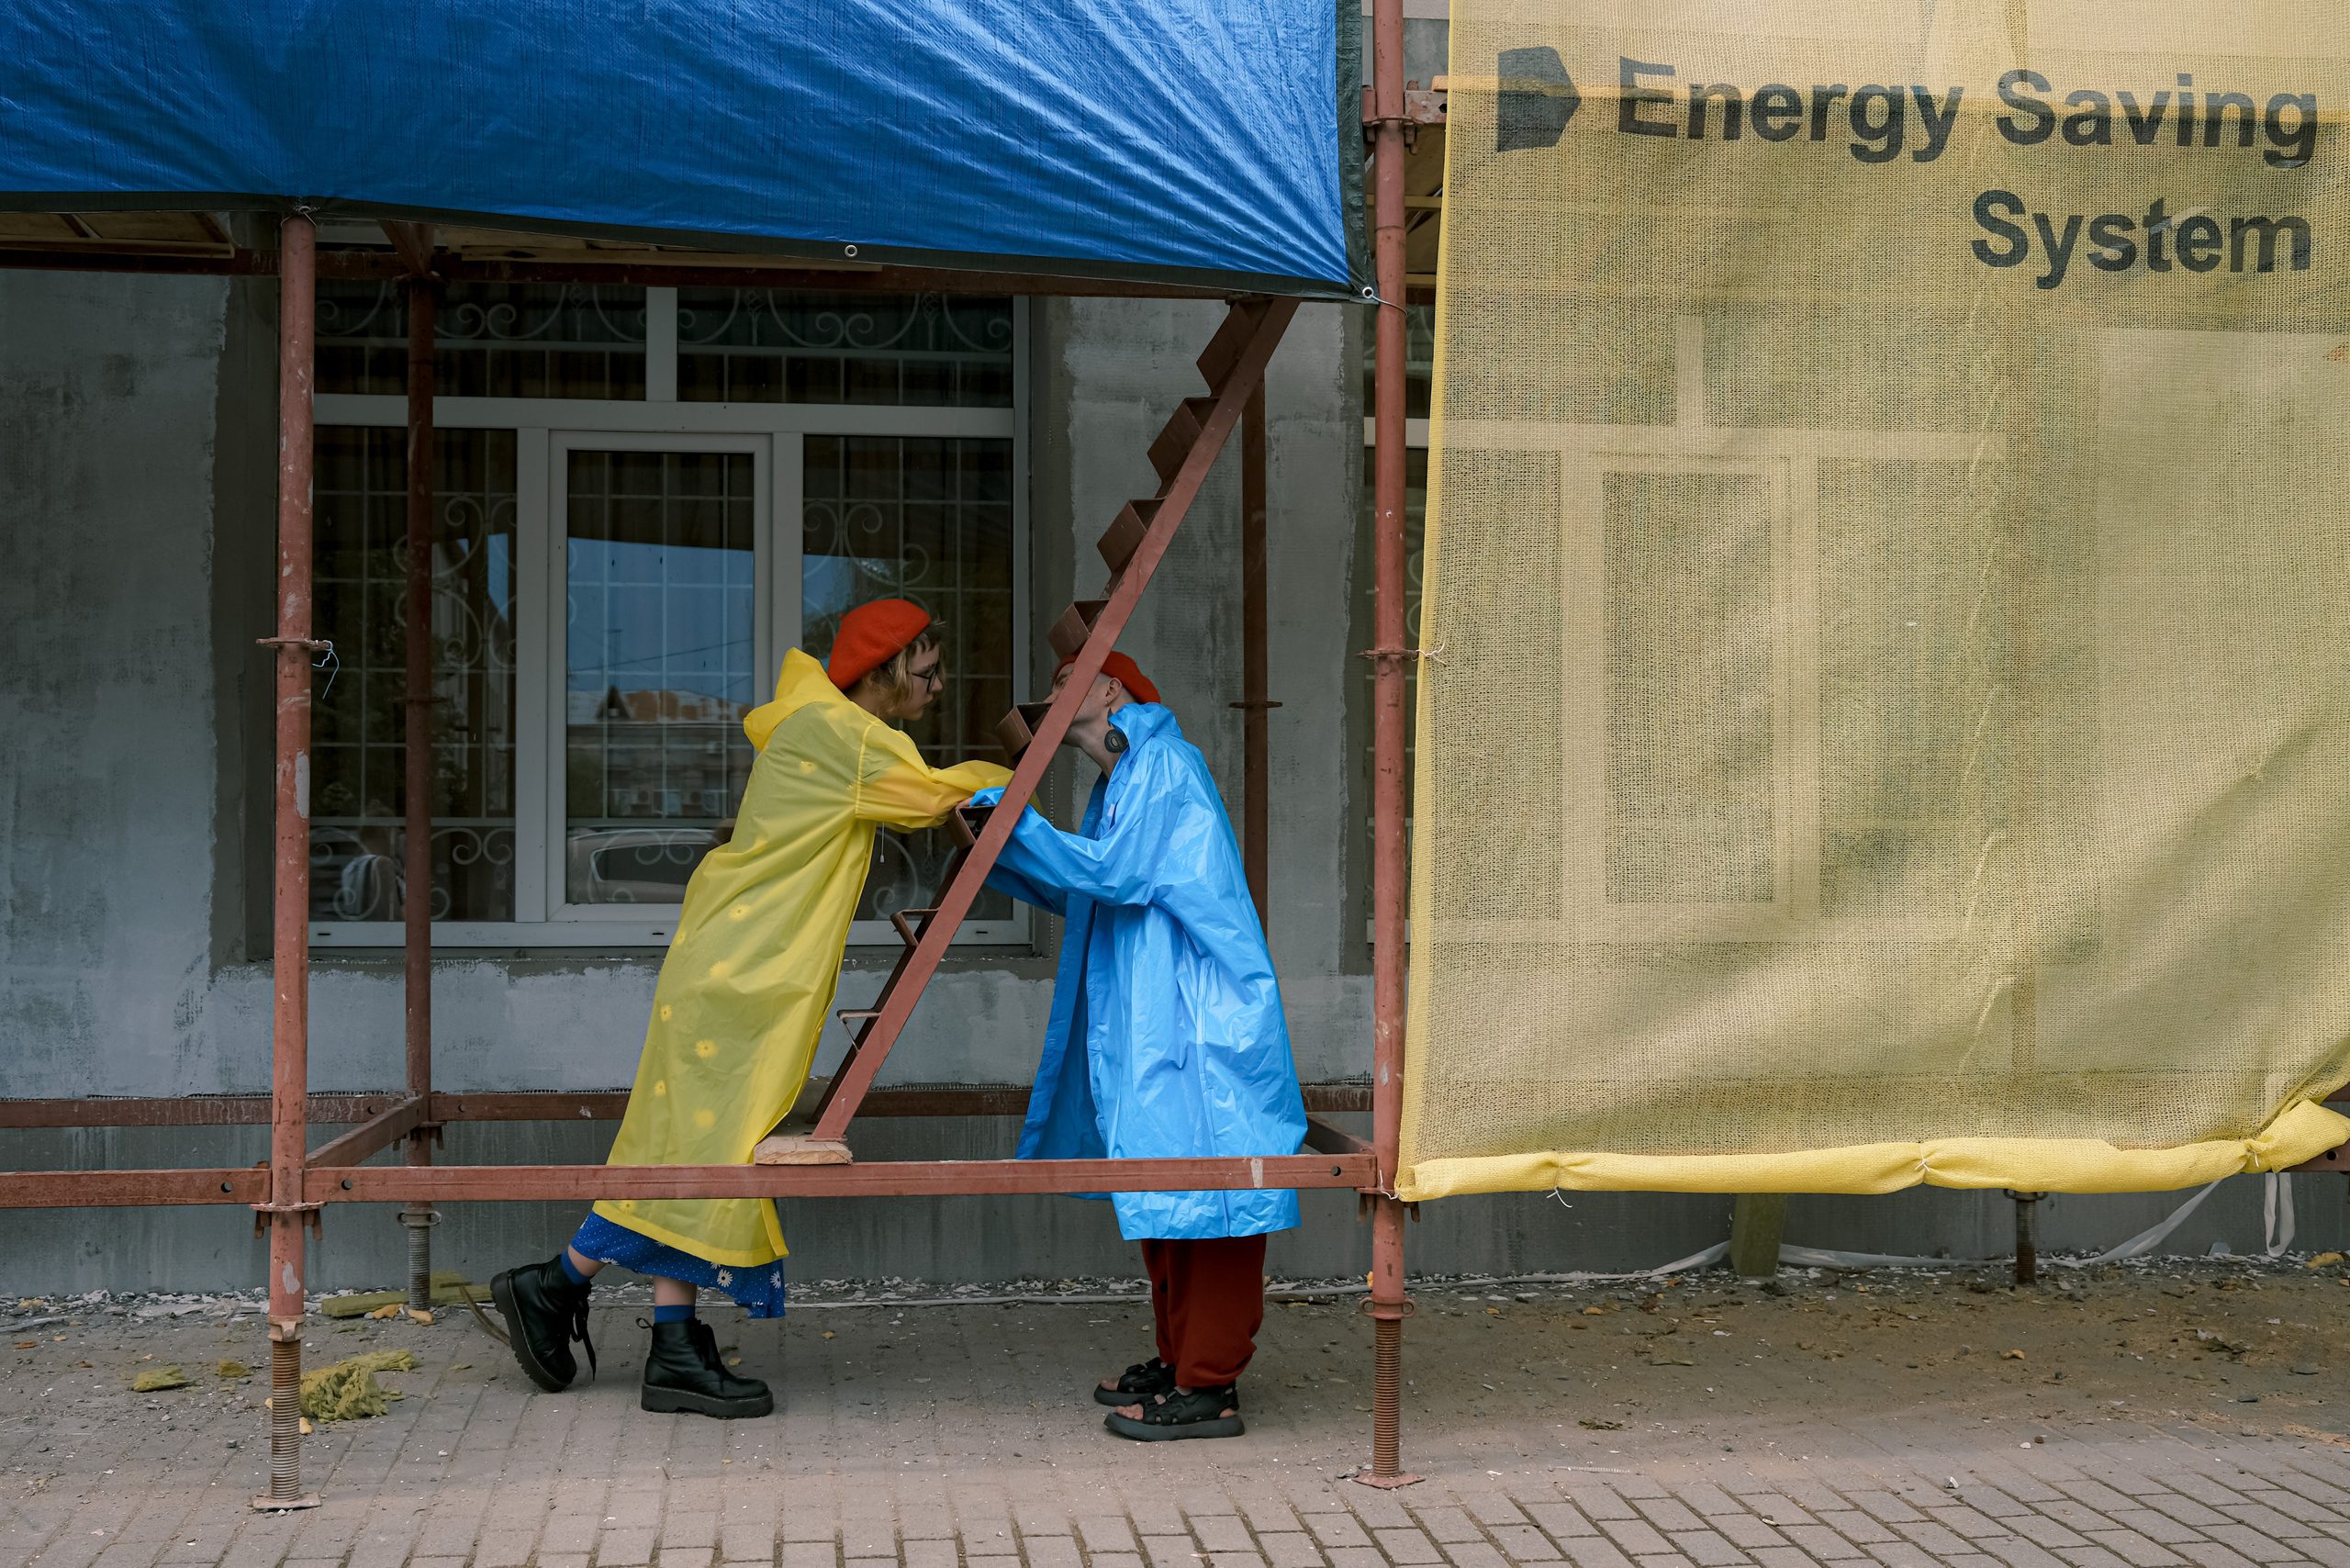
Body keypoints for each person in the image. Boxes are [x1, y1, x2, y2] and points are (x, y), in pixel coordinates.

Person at [492, 599, 1010, 1419]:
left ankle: (656, 1338)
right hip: (743, 979)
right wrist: (1016, 773)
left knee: (694, 1153)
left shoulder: (819, 725)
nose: (939, 686)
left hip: (733, 971)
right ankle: (559, 1286)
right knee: (707, 1155)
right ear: (883, 669)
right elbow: (929, 795)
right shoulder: (844, 735)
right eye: (928, 670)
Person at [974, 651, 1306, 1440]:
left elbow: (1116, 875)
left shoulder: (1162, 762)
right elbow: (1089, 890)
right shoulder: (1124, 779)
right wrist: (1000, 849)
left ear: (1111, 688)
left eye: (1066, 681)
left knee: (1212, 1200)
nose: (1050, 696)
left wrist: (1016, 821)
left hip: (1199, 1022)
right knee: (1167, 1194)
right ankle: (1181, 1358)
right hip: (1165, 1018)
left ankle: (1209, 1386)